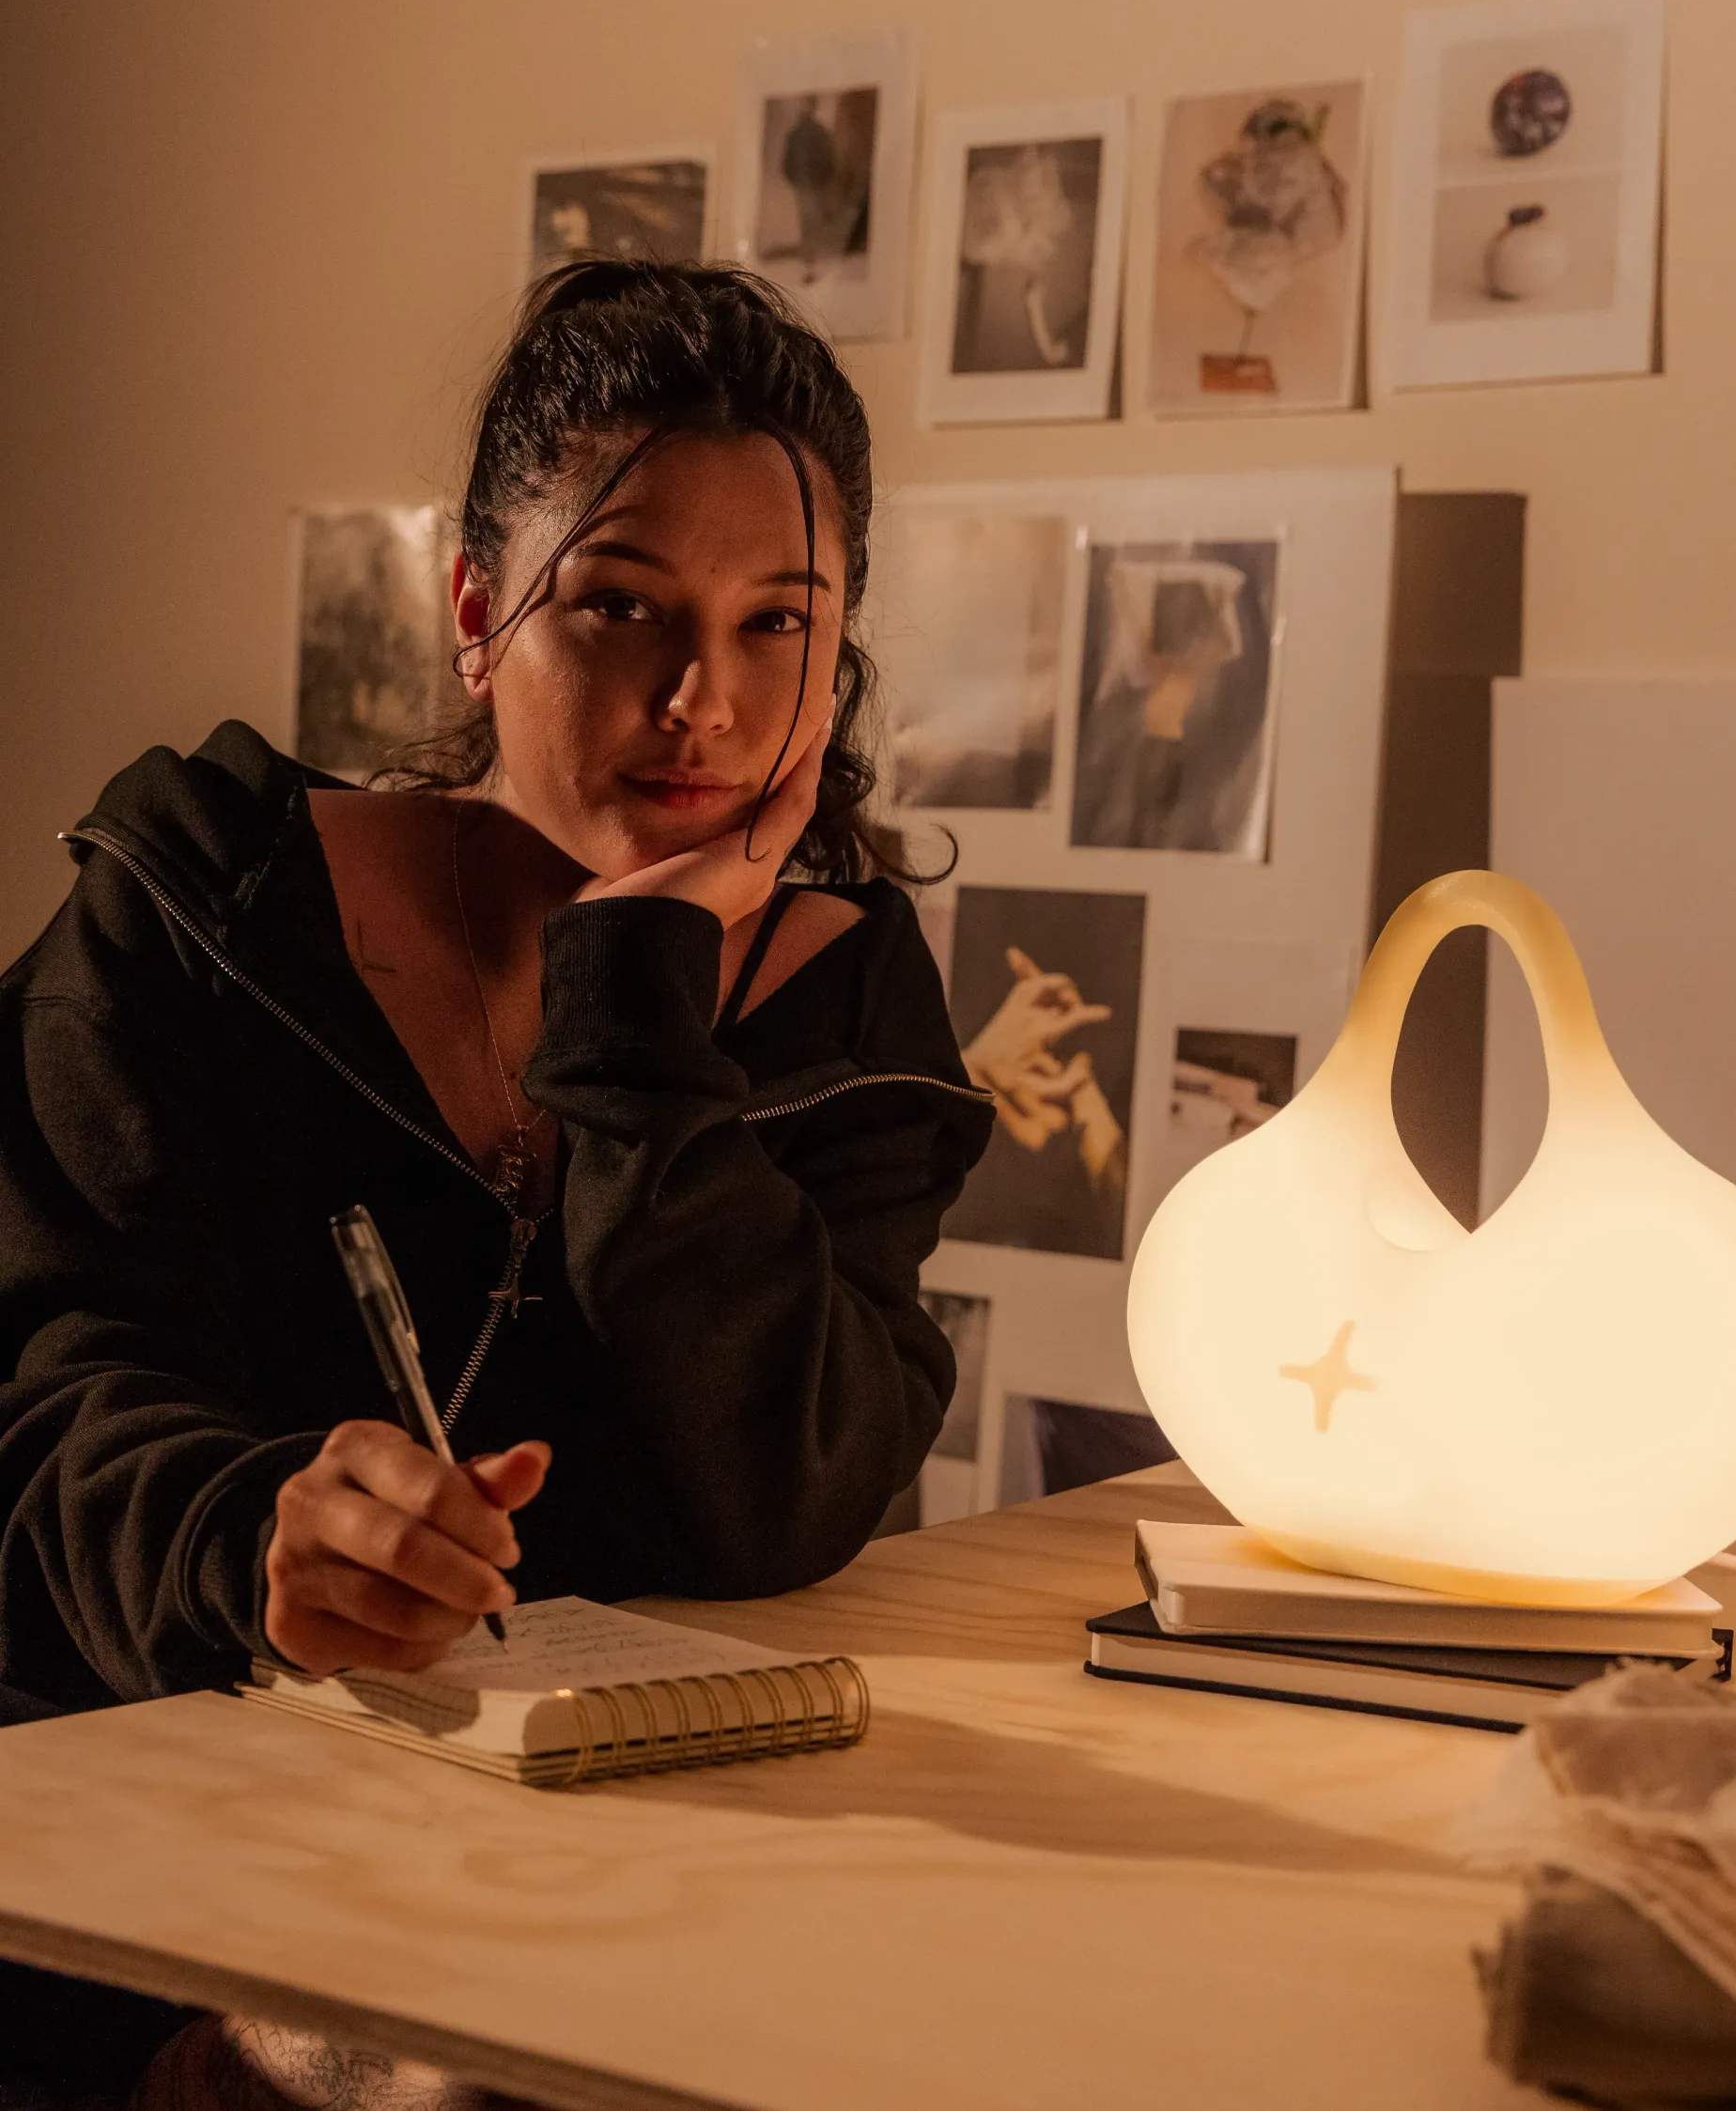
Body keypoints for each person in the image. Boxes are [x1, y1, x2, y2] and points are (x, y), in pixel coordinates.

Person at [0, 259, 993, 2103]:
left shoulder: (843, 1005)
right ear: (475, 611)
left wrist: (633, 999)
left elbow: (769, 1501)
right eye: (619, 607)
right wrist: (253, 1535)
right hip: (136, 1877)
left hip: (612, 1924)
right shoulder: (196, 906)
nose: (703, 698)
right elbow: (46, 1395)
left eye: (778, 621)